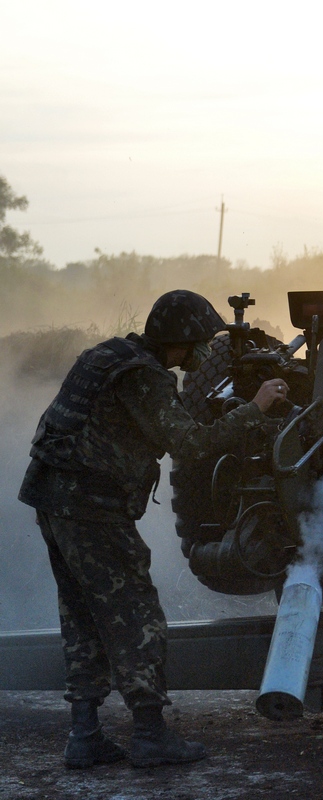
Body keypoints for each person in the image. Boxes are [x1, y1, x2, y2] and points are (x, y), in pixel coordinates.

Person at [18, 290, 289, 769]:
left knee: (82, 614)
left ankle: (84, 737)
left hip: (54, 498)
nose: (205, 352)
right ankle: (149, 735)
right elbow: (191, 444)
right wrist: (257, 407)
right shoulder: (146, 376)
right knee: (136, 615)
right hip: (91, 507)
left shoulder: (107, 355)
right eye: (200, 343)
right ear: (180, 343)